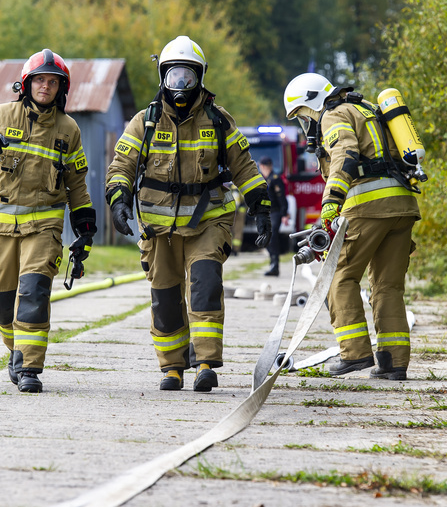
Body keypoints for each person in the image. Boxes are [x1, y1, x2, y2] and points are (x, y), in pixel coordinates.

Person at [105, 35, 272, 392]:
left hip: (208, 220)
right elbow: (121, 165)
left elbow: (244, 167)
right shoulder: (144, 122)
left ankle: (207, 364)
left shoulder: (218, 120)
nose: (180, 86)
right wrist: (118, 200)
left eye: (188, 78)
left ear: (200, 78)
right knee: (165, 297)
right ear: (163, 79)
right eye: (174, 77)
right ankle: (173, 368)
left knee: (205, 284)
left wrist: (262, 206)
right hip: (157, 227)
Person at [0, 49, 96, 393]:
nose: (46, 87)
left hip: (44, 229)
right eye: (40, 80)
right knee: (0, 301)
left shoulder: (69, 130)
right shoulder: (0, 114)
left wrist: (85, 231)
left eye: (53, 82)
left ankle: (30, 367)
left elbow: (77, 183)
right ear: (26, 84)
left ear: (62, 88)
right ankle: (16, 349)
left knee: (34, 292)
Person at [283, 72, 420, 380]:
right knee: (388, 287)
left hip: (368, 206)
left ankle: (354, 354)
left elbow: (345, 155)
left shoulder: (333, 115)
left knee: (338, 279)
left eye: (304, 117)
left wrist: (331, 203)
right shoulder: (367, 108)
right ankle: (393, 362)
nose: (306, 126)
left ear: (312, 102)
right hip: (403, 206)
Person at [257, 156, 289, 276]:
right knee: (265, 238)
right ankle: (272, 263)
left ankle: (275, 266)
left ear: (264, 166)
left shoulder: (275, 179)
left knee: (272, 236)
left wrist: (284, 214)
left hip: (275, 212)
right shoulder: (263, 179)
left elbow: (282, 198)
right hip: (266, 213)